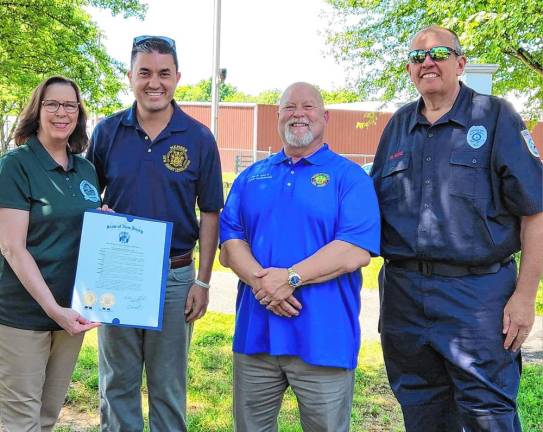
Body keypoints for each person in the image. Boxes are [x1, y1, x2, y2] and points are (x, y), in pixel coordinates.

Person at [371, 25, 543, 431]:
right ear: (410, 71)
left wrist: (525, 297)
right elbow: (368, 208)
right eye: (417, 57)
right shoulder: (397, 126)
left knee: (489, 414)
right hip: (404, 298)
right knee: (421, 408)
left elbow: (535, 211)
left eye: (439, 53)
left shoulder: (495, 116)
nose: (427, 62)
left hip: (478, 298)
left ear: (460, 63)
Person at [220, 82, 380, 431]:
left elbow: (354, 250)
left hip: (324, 340)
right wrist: (266, 285)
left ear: (325, 116)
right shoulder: (251, 177)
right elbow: (230, 244)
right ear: (278, 116)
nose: (298, 114)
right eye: (289, 107)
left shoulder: (349, 178)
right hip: (256, 339)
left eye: (308, 107)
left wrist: (290, 277)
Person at [86, 35, 223, 431]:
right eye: (144, 72)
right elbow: (88, 198)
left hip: (175, 276)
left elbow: (211, 212)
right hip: (117, 274)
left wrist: (203, 281)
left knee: (167, 387)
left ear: (177, 77)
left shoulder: (198, 138)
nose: (154, 82)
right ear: (130, 76)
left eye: (164, 73)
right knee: (117, 384)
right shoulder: (107, 132)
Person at [0, 76, 101, 431]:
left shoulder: (85, 168)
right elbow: (12, 247)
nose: (62, 112)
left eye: (70, 105)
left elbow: (83, 228)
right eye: (52, 104)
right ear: (37, 110)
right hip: (23, 316)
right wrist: (52, 309)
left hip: (71, 313)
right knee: (19, 420)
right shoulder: (15, 165)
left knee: (46, 416)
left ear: (79, 113)